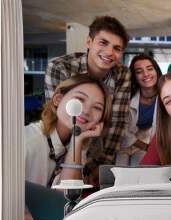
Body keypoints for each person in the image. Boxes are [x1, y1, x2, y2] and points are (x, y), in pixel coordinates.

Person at [44, 15, 131, 179]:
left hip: (96, 153)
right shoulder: (60, 67)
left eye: (117, 48)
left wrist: (102, 165)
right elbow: (59, 120)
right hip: (55, 152)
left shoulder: (122, 74)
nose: (109, 52)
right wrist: (66, 170)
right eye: (103, 43)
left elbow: (117, 124)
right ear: (89, 42)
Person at [25, 74, 111, 187]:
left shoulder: (79, 144)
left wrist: (77, 140)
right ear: (58, 100)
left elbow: (67, 197)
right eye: (80, 99)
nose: (86, 111)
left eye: (97, 107)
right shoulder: (27, 143)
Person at [116, 54, 162, 166]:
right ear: (134, 76)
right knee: (119, 173)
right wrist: (145, 146)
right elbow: (122, 129)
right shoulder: (127, 96)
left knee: (140, 171)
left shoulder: (164, 97)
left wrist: (148, 147)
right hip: (122, 141)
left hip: (145, 140)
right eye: (139, 71)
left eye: (150, 69)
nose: (146, 74)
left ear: (156, 71)